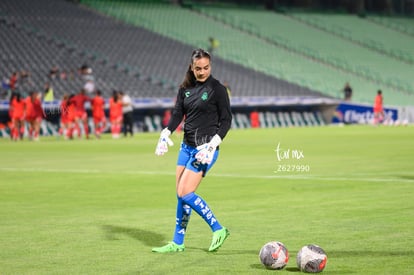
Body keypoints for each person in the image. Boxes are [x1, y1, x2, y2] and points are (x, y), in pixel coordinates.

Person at [152, 48, 232, 253]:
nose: (202, 72)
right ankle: (178, 243)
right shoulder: (184, 88)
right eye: (198, 68)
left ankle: (218, 228)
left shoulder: (217, 89)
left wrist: (213, 144)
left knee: (185, 191)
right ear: (191, 67)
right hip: (186, 147)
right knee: (180, 194)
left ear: (210, 66)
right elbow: (178, 113)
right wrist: (166, 132)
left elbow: (226, 120)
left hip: (205, 149)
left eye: (206, 68)